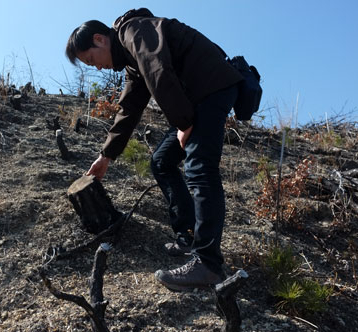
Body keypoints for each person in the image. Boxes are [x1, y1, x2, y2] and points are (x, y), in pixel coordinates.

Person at [65, 8, 243, 291]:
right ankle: (188, 236)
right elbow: (129, 108)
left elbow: (157, 69)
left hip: (211, 88)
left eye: (91, 60)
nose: (97, 67)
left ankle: (208, 264)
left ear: (99, 39)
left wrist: (184, 124)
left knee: (199, 168)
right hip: (195, 100)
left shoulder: (134, 31)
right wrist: (106, 156)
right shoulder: (130, 59)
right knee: (162, 161)